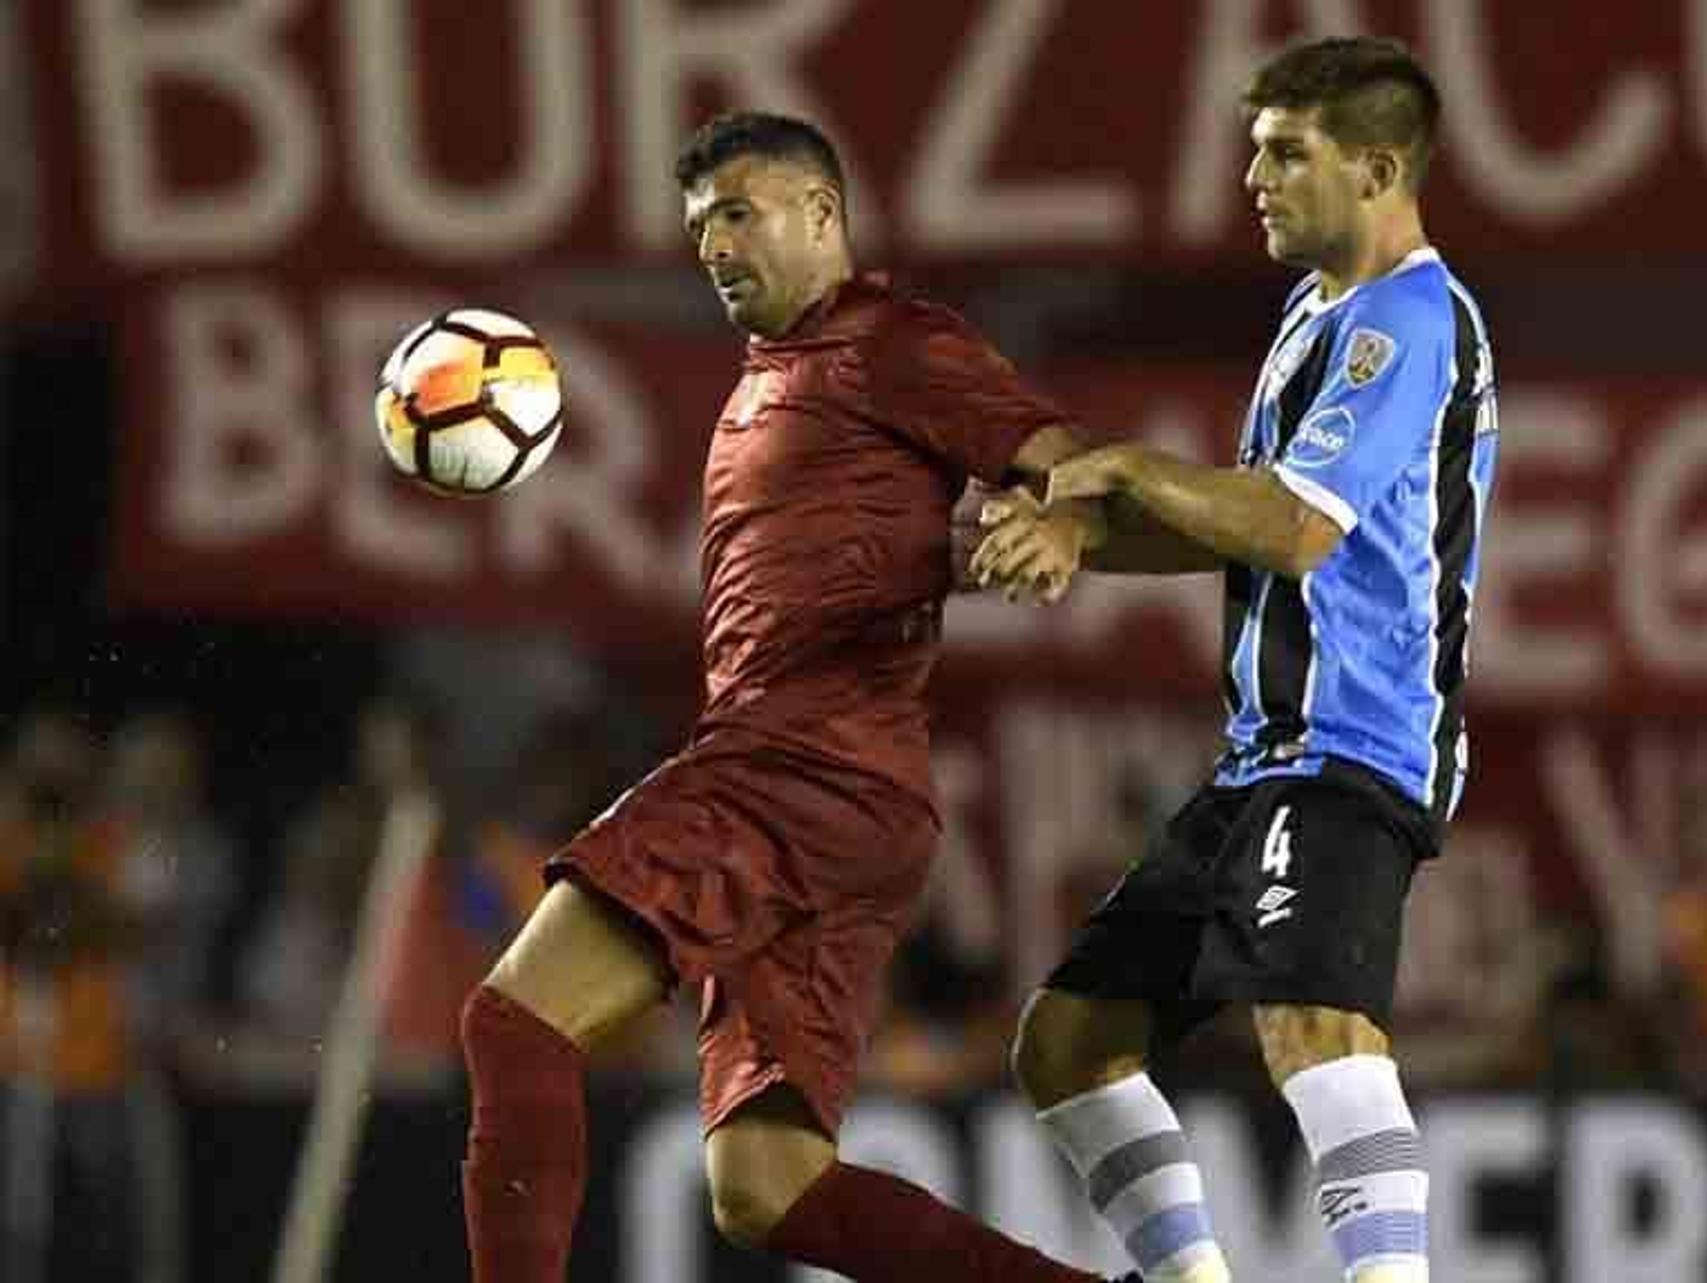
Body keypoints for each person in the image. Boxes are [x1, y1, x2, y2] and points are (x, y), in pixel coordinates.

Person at [457, 112, 1130, 1283]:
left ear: (822, 213)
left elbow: (1063, 451)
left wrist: (1062, 516)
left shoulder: (891, 341)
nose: (713, 244)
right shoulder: (770, 384)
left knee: (512, 1021)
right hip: (853, 804)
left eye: (737, 212)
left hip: (793, 772)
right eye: (697, 226)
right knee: (768, 1189)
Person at [974, 37, 1498, 1283]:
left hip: (1355, 741)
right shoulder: (1313, 311)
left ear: (1376, 168)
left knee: (1314, 1022)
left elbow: (1292, 525)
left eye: (1284, 152)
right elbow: (1237, 525)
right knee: (1069, 1039)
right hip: (1268, 754)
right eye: (1251, 149)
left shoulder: (1407, 323)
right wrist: (1074, 539)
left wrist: (1118, 462)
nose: (1251, 176)